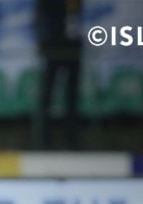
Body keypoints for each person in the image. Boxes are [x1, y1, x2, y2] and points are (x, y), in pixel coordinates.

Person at [35, 0, 82, 150]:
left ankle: (71, 141)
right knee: (47, 97)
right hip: (53, 49)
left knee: (72, 98)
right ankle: (44, 141)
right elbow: (40, 20)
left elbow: (79, 22)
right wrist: (44, 43)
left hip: (73, 51)